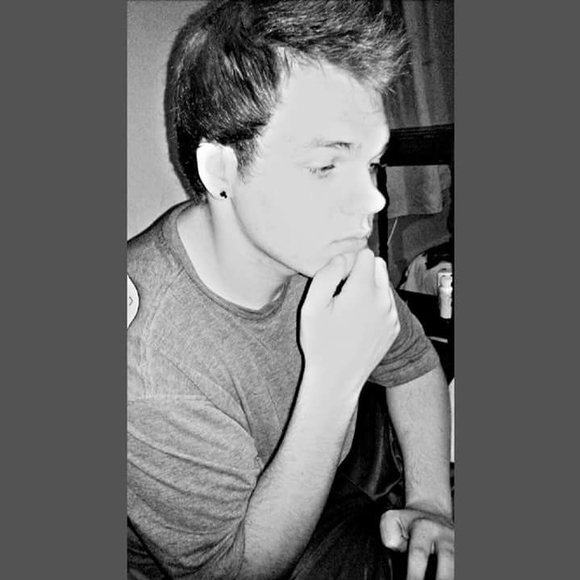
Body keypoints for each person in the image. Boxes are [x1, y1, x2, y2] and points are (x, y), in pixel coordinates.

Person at [127, 1, 454, 578]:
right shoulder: (147, 368)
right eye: (326, 166)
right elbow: (232, 569)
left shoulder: (317, 246)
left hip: (333, 475)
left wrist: (431, 503)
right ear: (220, 170)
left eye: (371, 162)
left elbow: (411, 361)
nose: (373, 199)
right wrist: (334, 380)